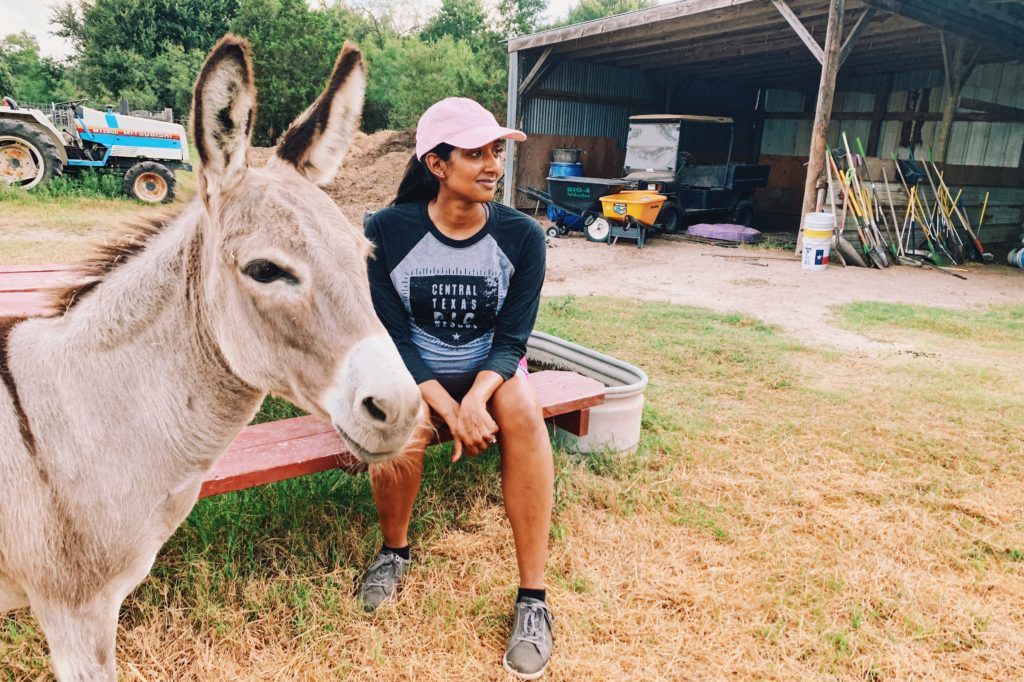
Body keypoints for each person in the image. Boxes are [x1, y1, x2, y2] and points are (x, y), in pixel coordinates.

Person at [360, 97, 553, 680]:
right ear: (437, 165)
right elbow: (391, 335)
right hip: (412, 370)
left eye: (496, 150)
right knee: (405, 421)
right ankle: (394, 553)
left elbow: (513, 336)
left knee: (522, 404)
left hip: (490, 373)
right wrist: (442, 403)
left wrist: (475, 399)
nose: (493, 164)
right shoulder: (387, 231)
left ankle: (534, 600)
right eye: (475, 153)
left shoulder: (523, 236)